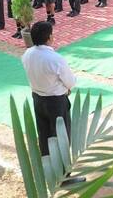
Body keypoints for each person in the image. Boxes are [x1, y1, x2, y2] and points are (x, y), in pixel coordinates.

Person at [22, 21, 76, 156]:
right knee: (61, 137)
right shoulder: (55, 58)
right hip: (56, 102)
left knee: (44, 135)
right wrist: (66, 89)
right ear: (49, 38)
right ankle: (64, 173)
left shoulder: (27, 54)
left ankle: (47, 169)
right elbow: (70, 82)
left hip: (38, 99)